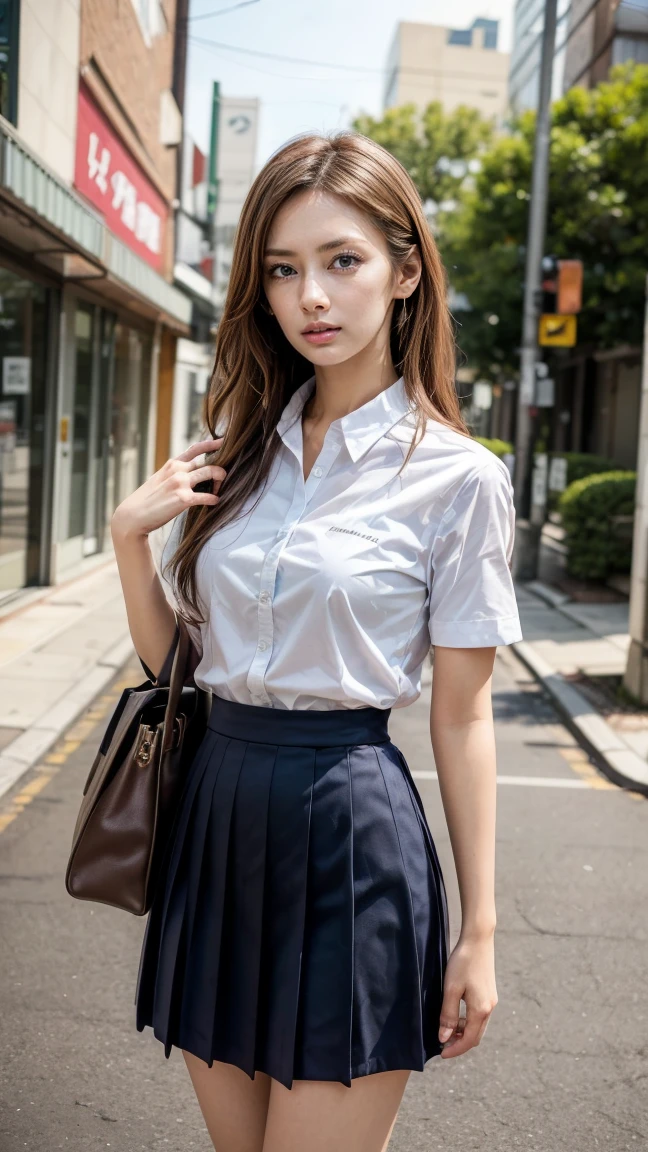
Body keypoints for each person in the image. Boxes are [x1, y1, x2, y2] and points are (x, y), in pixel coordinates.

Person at [111, 131, 523, 1152]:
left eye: (343, 262)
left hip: (351, 835)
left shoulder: (458, 480)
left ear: (405, 269)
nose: (313, 298)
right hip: (214, 824)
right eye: (284, 271)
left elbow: (464, 716)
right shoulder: (237, 455)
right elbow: (178, 670)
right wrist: (129, 541)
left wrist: (479, 933)